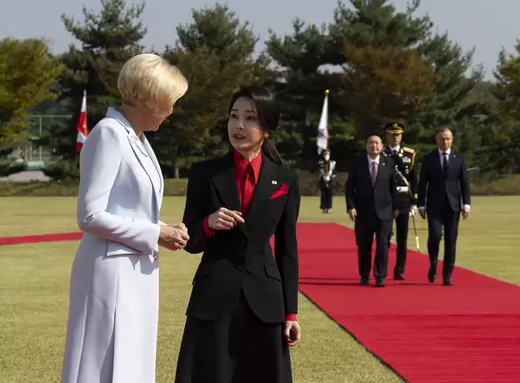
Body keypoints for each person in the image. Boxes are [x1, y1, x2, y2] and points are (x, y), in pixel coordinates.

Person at [60, 54, 190, 383]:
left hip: (136, 269)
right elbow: (89, 215)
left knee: (132, 361)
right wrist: (154, 233)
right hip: (110, 272)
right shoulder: (108, 134)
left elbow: (130, 208)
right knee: (100, 365)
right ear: (150, 98)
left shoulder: (139, 140)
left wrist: (164, 229)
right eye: (169, 101)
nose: (171, 111)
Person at [175, 85, 301, 383]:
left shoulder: (285, 179)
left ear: (267, 128)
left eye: (250, 118)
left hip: (266, 303)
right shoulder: (205, 173)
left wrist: (291, 314)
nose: (239, 125)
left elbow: (287, 250)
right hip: (213, 297)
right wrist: (208, 223)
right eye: (234, 116)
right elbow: (189, 240)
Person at [417, 127, 471, 286]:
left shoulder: (459, 159)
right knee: (434, 236)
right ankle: (433, 263)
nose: (445, 141)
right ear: (437, 140)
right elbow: (422, 184)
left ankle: (447, 274)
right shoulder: (429, 159)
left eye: (448, 138)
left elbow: (465, 183)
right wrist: (421, 203)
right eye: (442, 138)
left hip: (453, 206)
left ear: (452, 140)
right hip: (434, 205)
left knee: (451, 241)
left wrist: (467, 204)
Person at [345, 134, 398, 287]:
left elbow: (393, 188)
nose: (374, 146)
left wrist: (395, 208)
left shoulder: (389, 163)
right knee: (364, 246)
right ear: (366, 146)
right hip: (363, 212)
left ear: (381, 146)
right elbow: (349, 188)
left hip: (384, 212)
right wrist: (351, 206)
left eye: (376, 143)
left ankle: (380, 276)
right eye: (370, 143)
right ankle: (364, 274)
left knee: (383, 245)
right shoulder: (357, 164)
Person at [382, 121, 418, 280]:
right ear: (387, 136)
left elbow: (414, 179)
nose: (395, 137)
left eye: (398, 134)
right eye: (392, 134)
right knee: (385, 235)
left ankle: (400, 269)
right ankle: (382, 267)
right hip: (386, 199)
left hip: (404, 199)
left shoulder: (410, 154)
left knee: (402, 237)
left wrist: (415, 202)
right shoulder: (381, 153)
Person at [318, 149, 337, 213]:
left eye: (328, 154)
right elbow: (318, 170)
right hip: (323, 180)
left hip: (330, 180)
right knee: (323, 195)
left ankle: (328, 208)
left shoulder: (333, 163)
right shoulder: (320, 163)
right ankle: (323, 208)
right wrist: (323, 176)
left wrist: (331, 177)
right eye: (325, 154)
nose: (326, 155)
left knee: (329, 194)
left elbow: (335, 172)